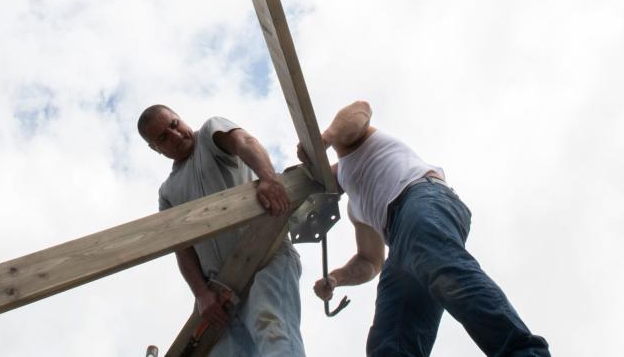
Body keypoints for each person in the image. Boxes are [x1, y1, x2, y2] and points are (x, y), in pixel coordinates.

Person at [309, 101, 550, 357]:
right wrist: (336, 278)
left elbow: (361, 109)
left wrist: (325, 139)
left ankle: (524, 352)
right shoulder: (356, 209)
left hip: (421, 197)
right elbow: (370, 261)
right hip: (400, 239)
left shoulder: (347, 146)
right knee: (391, 337)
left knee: (443, 269)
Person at [138, 104, 306, 356]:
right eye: (163, 137)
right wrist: (202, 294)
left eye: (174, 124)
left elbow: (244, 141)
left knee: (272, 331)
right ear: (156, 149)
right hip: (223, 293)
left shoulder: (209, 134)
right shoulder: (169, 192)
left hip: (265, 256)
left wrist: (268, 178)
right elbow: (183, 252)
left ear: (180, 118)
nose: (175, 135)